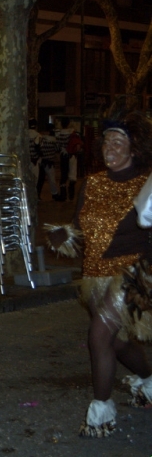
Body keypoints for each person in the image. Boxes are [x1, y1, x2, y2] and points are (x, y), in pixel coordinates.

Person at [47, 110, 152, 437]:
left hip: (132, 273)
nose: (111, 146)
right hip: (94, 274)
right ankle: (150, 381)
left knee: (98, 336)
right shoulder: (91, 183)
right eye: (107, 140)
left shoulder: (146, 183)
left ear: (134, 149)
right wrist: (65, 235)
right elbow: (79, 230)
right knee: (116, 343)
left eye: (119, 141)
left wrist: (146, 277)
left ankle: (101, 411)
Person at [37, 124, 63, 201]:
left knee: (40, 180)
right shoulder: (54, 140)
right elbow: (58, 148)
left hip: (42, 161)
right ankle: (54, 194)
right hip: (50, 162)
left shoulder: (41, 139)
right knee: (52, 180)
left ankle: (38, 194)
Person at [56, 117, 75, 200]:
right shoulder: (73, 133)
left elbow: (57, 146)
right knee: (72, 174)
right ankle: (71, 195)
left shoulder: (58, 134)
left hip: (63, 155)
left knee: (63, 174)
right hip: (72, 155)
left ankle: (63, 195)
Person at [28, 118, 41, 185]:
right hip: (35, 161)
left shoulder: (24, 135)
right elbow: (38, 148)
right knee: (35, 180)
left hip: (26, 161)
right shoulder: (37, 135)